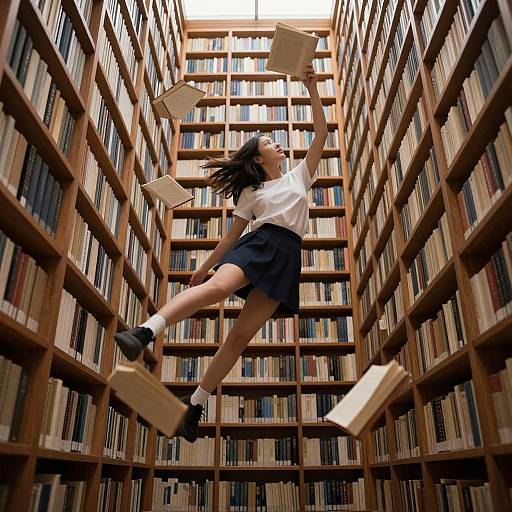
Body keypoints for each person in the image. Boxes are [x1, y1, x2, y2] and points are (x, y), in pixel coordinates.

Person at [114, 62, 328, 442]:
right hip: (260, 245)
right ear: (258, 158)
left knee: (240, 338)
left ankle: (194, 405)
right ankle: (145, 332)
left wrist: (311, 86)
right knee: (215, 290)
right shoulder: (250, 193)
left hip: (287, 256)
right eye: (267, 143)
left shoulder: (299, 176)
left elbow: (322, 132)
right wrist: (207, 267)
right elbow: (231, 239)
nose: (276, 143)